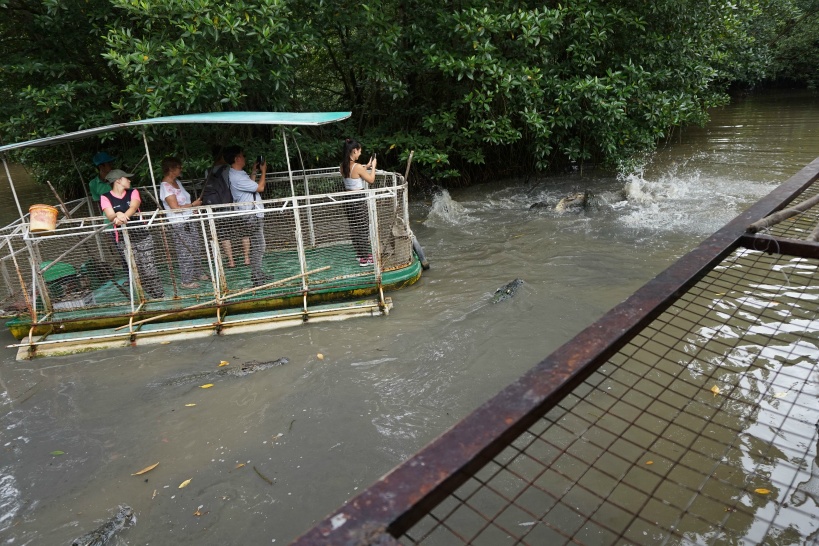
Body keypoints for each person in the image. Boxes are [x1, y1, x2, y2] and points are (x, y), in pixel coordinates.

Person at [100, 169, 165, 300]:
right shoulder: (105, 197)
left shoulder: (133, 192)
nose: (129, 180)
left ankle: (159, 295)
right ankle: (147, 295)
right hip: (123, 239)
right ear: (118, 180)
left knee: (149, 268)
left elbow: (134, 207)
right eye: (126, 178)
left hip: (142, 235)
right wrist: (116, 215)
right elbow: (110, 215)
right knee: (137, 270)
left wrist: (122, 216)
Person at [223, 145, 269, 287]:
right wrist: (264, 172)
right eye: (242, 156)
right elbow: (260, 187)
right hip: (251, 214)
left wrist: (254, 172)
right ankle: (256, 276)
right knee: (259, 246)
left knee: (257, 245)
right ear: (237, 158)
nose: (244, 158)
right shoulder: (236, 176)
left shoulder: (238, 174)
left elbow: (250, 184)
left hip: (250, 212)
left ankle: (258, 273)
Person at [159, 157, 208, 289]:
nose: (181, 169)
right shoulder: (165, 186)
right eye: (179, 167)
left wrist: (192, 209)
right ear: (171, 169)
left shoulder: (177, 182)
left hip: (189, 219)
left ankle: (197, 272)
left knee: (196, 247)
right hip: (179, 223)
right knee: (185, 251)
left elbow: (184, 201)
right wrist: (192, 205)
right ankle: (186, 280)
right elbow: (175, 208)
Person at [204, 145, 249, 268]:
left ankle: (231, 261)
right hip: (233, 205)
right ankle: (246, 258)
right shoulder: (229, 169)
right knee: (244, 232)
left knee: (224, 235)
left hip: (217, 208)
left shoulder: (208, 171)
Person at [340, 138, 377, 266]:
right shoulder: (357, 167)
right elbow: (371, 179)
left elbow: (355, 174)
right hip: (358, 200)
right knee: (363, 228)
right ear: (354, 151)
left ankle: (360, 255)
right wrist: (373, 167)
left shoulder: (342, 166)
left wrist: (366, 166)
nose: (360, 153)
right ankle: (365, 258)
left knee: (354, 227)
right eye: (359, 151)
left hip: (348, 200)